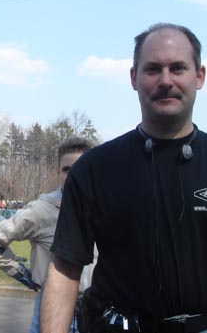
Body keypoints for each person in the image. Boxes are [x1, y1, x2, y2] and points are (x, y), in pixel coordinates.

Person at [41, 23, 207, 333]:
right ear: (134, 78)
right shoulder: (95, 169)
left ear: (199, 76)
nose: (165, 80)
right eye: (153, 69)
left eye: (178, 68)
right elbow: (65, 267)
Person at [0, 137, 93, 333]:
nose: (73, 175)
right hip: (52, 309)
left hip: (96, 311)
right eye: (67, 170)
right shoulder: (42, 209)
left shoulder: (104, 207)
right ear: (58, 172)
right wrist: (24, 276)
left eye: (81, 168)